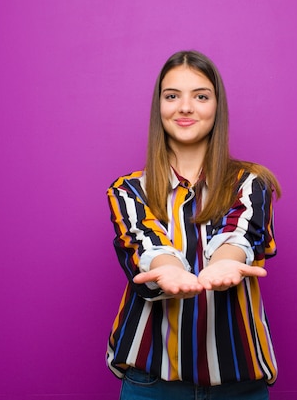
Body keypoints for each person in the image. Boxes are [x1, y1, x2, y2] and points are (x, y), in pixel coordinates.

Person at [106, 50, 281, 400]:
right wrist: (169, 270)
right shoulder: (128, 190)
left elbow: (241, 233)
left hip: (240, 385)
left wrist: (225, 263)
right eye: (172, 96)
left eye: (200, 96)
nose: (185, 107)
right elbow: (145, 242)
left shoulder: (250, 182)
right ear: (159, 107)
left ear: (217, 107)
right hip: (151, 385)